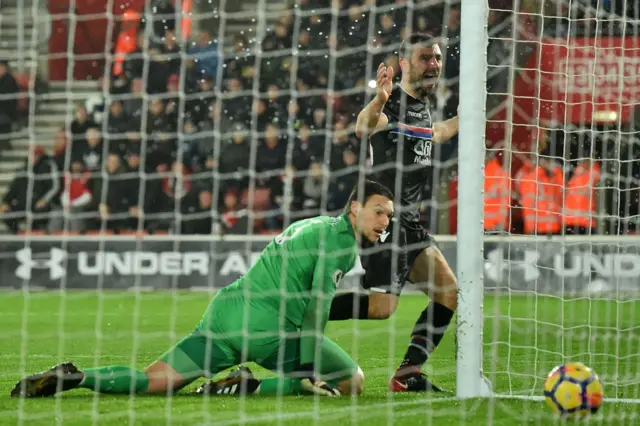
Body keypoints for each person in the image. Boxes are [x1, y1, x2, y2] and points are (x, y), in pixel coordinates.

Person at [11, 180, 395, 398]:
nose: (384, 221)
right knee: (352, 381)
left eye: (389, 217)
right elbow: (315, 309)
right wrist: (307, 372)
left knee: (153, 382)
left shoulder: (311, 225)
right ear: (355, 207)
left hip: (225, 313)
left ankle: (77, 377)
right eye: (378, 211)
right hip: (268, 331)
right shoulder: (342, 245)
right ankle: (250, 386)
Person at [328, 33, 460, 392]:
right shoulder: (394, 103)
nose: (433, 64)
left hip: (411, 222)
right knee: (383, 307)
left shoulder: (423, 108)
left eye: (436, 58)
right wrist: (379, 100)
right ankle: (306, 310)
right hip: (383, 217)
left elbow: (436, 134)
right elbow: (363, 126)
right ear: (404, 63)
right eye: (424, 58)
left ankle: (407, 375)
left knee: (448, 291)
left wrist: (467, 117)